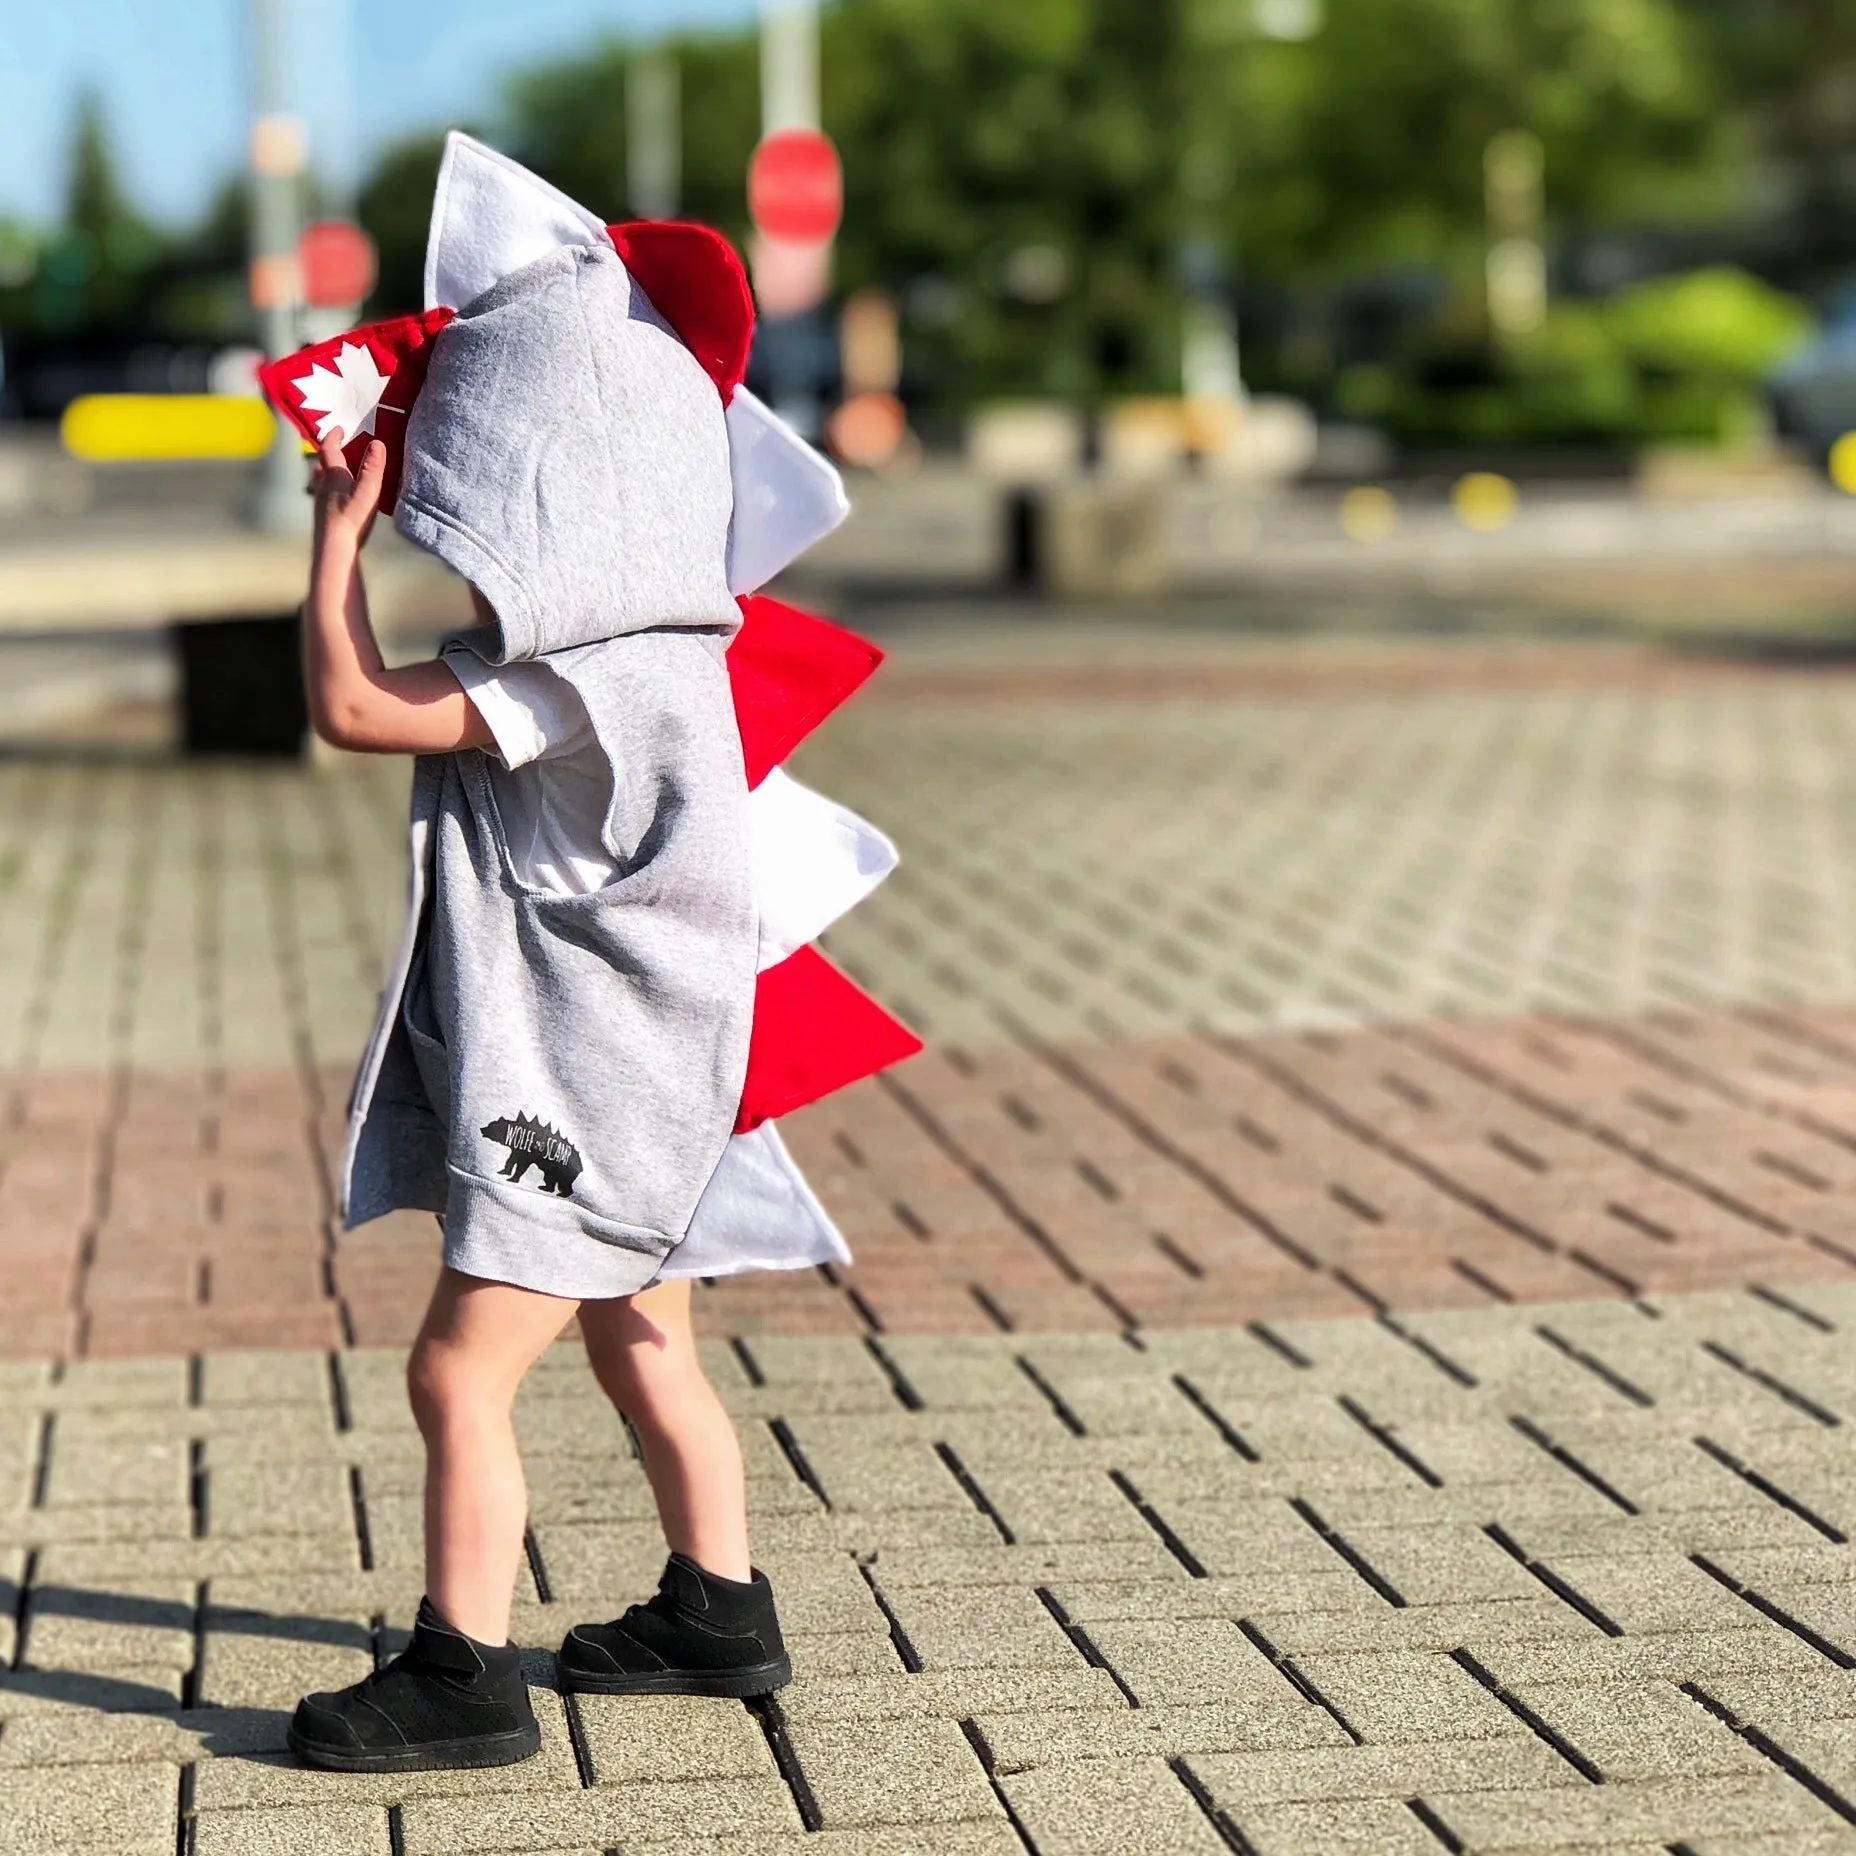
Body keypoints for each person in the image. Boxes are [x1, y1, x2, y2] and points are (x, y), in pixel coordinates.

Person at [284, 419, 793, 1773]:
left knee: (458, 1371)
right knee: (647, 1343)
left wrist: (338, 533)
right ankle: (719, 1607)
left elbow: (352, 707)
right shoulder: (682, 649)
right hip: (673, 1071)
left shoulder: (572, 681)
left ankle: (464, 1675)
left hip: (584, 1088)